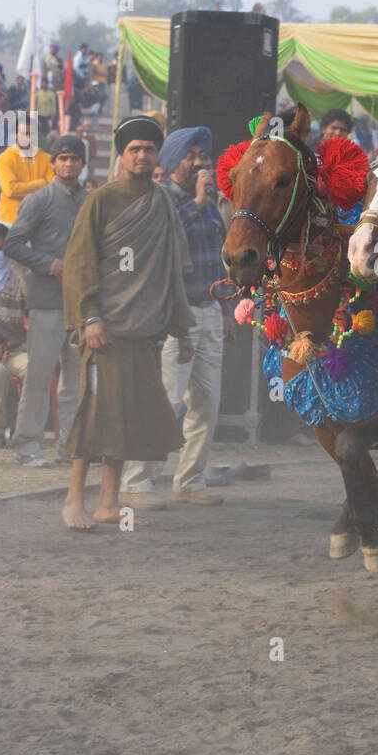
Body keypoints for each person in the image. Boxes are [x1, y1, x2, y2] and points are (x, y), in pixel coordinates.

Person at [60, 115, 196, 530]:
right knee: (95, 412)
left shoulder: (164, 205)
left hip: (143, 335)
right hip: (104, 334)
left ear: (157, 157)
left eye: (149, 149)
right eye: (135, 149)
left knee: (124, 418)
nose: (142, 155)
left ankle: (108, 502)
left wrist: (181, 327)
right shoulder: (100, 200)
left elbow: (170, 271)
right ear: (122, 155)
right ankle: (72, 499)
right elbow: (79, 263)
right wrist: (90, 318)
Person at [121, 126, 231, 507]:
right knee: (167, 401)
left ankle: (189, 481)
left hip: (210, 311)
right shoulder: (160, 198)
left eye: (204, 156)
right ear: (172, 163)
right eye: (192, 156)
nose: (201, 163)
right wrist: (197, 203)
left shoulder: (211, 203)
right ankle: (136, 481)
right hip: (174, 316)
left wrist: (227, 308)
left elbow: (219, 258)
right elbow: (161, 243)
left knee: (206, 403)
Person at [3, 134, 88, 464]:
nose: (69, 164)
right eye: (62, 158)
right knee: (39, 376)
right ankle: (27, 446)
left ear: (82, 164)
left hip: (81, 304)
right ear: (52, 163)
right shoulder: (39, 200)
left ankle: (69, 447)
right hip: (46, 301)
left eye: (74, 158)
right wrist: (49, 264)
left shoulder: (89, 201)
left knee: (76, 381)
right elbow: (13, 245)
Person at [0, 220, 28, 447]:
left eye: (2, 250)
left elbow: (33, 306)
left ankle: (23, 432)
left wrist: (22, 269)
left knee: (35, 369)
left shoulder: (18, 277)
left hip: (15, 350)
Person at [0, 122, 55, 224]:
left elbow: (54, 188)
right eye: (24, 133)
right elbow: (10, 190)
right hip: (11, 221)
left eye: (32, 133)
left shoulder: (47, 159)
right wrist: (41, 183)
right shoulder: (5, 158)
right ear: (15, 134)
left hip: (40, 221)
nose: (28, 137)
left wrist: (22, 189)